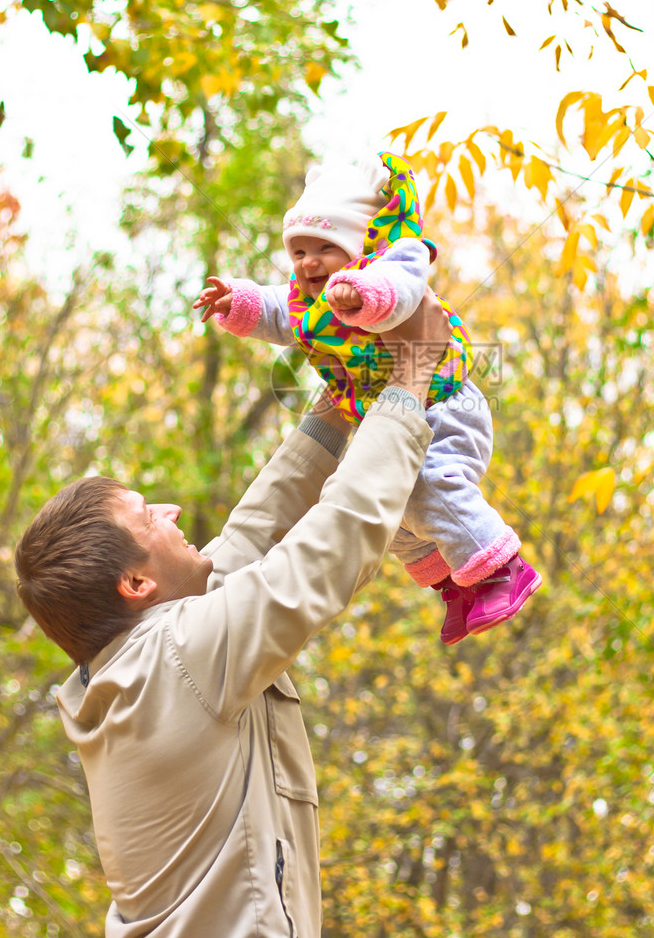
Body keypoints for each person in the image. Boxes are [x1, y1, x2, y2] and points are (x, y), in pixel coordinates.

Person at [14, 294, 450, 938]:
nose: (174, 513)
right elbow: (332, 544)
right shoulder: (181, 658)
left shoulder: (142, 665)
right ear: (136, 584)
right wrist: (409, 380)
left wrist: (340, 405)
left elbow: (251, 533)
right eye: (149, 515)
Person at [193, 151, 541, 645]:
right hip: (395, 413)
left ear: (357, 243)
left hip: (446, 407)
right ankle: (452, 582)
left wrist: (362, 295)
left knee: (429, 483)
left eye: (325, 248)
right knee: (389, 503)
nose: (309, 263)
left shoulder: (394, 259)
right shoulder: (306, 299)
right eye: (298, 252)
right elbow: (275, 308)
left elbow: (400, 287)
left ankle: (502, 570)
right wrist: (237, 300)